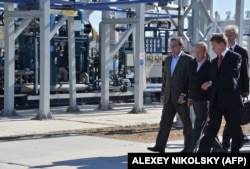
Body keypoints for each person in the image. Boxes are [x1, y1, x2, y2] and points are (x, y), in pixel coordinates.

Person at [198, 33, 243, 153]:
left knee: (234, 130)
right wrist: (209, 100)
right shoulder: (213, 62)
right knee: (211, 129)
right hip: (216, 102)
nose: (212, 48)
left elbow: (228, 75)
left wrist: (211, 83)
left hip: (230, 101)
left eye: (214, 45)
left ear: (222, 44)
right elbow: (211, 83)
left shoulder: (235, 57)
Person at [147, 37, 193, 153]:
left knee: (186, 124)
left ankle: (189, 148)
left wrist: (186, 95)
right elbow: (165, 79)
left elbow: (190, 80)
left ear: (181, 46)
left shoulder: (189, 60)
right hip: (168, 97)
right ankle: (160, 146)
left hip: (181, 98)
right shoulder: (167, 59)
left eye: (174, 45)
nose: (171, 48)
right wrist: (162, 94)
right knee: (164, 122)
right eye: (170, 45)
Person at [178, 41, 211, 152]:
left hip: (205, 100)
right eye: (195, 52)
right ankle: (218, 148)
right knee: (204, 126)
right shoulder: (192, 63)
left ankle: (190, 150)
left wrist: (209, 100)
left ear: (205, 52)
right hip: (195, 99)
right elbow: (188, 81)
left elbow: (213, 82)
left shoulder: (210, 65)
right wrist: (186, 95)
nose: (196, 54)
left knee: (198, 126)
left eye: (199, 52)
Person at [221, 25, 250, 152]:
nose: (228, 37)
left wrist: (246, 89)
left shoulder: (241, 51)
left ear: (236, 36)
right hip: (224, 91)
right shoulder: (222, 51)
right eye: (226, 35)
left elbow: (245, 71)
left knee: (231, 118)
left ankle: (227, 145)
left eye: (231, 34)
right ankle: (237, 140)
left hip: (237, 90)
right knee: (231, 119)